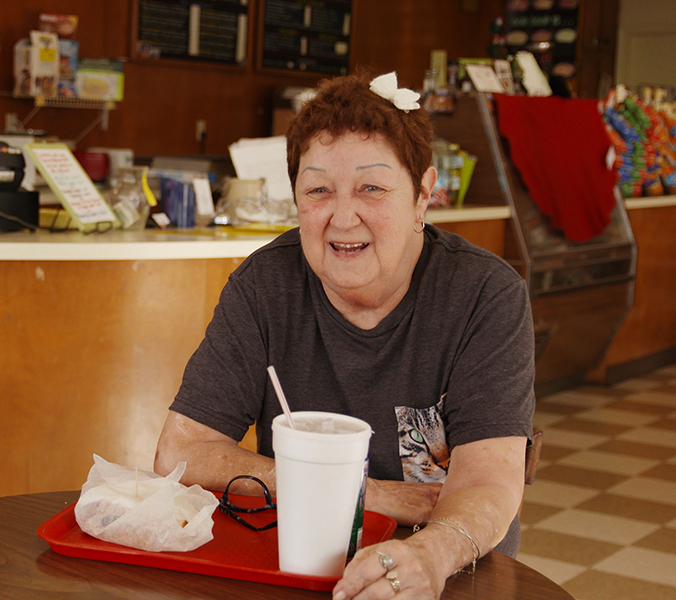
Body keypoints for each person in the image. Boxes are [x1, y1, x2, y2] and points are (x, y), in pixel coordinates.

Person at [153, 70, 535, 600]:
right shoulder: (266, 286)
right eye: (318, 191)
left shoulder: (484, 296)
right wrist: (367, 494)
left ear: (423, 194)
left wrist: (427, 556)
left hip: (448, 569)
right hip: (302, 565)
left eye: (372, 188)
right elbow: (181, 452)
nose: (343, 216)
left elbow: (488, 482)